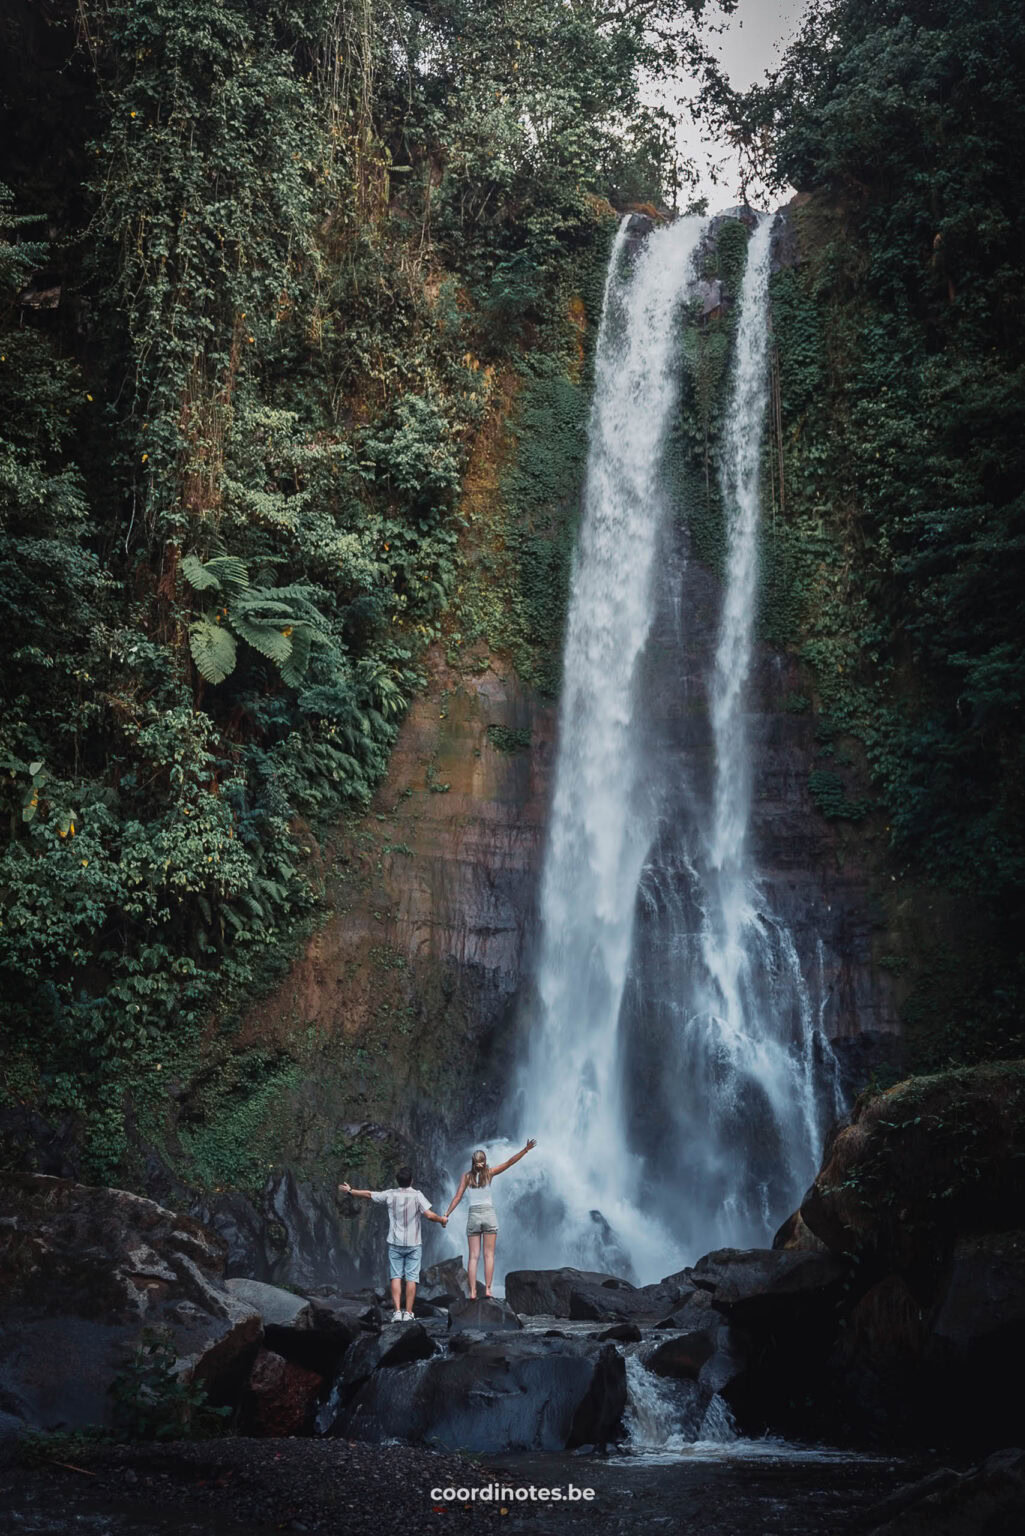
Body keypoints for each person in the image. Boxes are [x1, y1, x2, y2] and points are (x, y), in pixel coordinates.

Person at [339, 1165, 448, 1322]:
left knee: (395, 1276)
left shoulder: (390, 1194)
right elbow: (429, 1215)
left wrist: (351, 1191)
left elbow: (369, 1194)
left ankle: (397, 1312)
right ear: (411, 1180)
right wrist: (441, 1220)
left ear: (398, 1181)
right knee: (412, 1278)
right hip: (413, 1243)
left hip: (395, 1242)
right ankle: (409, 1313)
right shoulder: (417, 1196)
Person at [443, 1139, 537, 1300]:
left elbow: (458, 1197)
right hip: (488, 1214)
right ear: (484, 1162)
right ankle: (487, 1290)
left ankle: (472, 1292)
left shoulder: (466, 1177)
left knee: (473, 1256)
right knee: (489, 1255)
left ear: (472, 1162)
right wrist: (525, 1150)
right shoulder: (490, 1173)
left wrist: (446, 1214)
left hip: (473, 1215)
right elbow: (509, 1162)